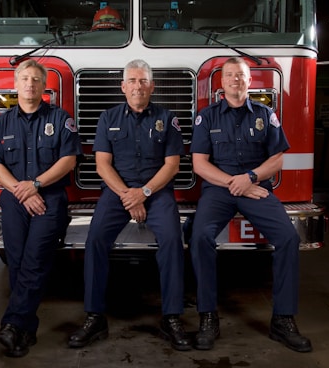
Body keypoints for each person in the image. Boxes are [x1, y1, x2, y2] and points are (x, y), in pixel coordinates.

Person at [189, 57, 312, 352]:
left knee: (288, 237)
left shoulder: (265, 114)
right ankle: (208, 316)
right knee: (200, 236)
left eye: (240, 76)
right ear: (221, 82)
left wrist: (251, 178)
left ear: (249, 81)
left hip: (257, 188)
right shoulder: (207, 117)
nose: (235, 80)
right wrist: (236, 183)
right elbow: (200, 165)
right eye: (230, 75)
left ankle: (282, 319)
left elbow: (278, 158)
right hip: (220, 191)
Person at [68, 59, 190, 351]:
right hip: (117, 192)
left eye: (143, 80)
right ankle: (95, 316)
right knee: (95, 238)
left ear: (152, 86)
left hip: (156, 191)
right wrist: (128, 195)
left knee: (173, 239)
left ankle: (172, 317)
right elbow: (102, 164)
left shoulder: (167, 118)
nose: (138, 86)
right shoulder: (107, 118)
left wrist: (144, 193)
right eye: (132, 81)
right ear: (123, 87)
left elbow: (172, 165)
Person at [0, 59, 82, 358]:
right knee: (16, 260)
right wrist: (22, 190)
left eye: (36, 79)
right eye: (24, 79)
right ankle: (25, 330)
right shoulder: (2, 123)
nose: (29, 84)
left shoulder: (61, 118)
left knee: (34, 258)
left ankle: (13, 325)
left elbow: (68, 160)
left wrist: (36, 185)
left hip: (49, 198)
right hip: (14, 198)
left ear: (44, 86)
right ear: (15, 85)